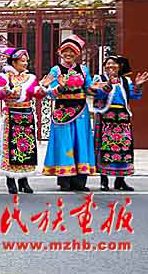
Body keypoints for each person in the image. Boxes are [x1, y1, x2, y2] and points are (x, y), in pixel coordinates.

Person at [43, 35, 105, 192]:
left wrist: (97, 88)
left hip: (81, 112)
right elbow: (49, 93)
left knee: (81, 142)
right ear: (60, 52)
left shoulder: (83, 70)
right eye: (66, 51)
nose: (68, 54)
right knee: (64, 143)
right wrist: (60, 87)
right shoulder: (55, 70)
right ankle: (64, 180)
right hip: (62, 112)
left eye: (72, 51)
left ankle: (80, 181)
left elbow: (89, 88)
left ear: (77, 53)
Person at [0, 46, 49, 194]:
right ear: (14, 62)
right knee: (10, 148)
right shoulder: (4, 77)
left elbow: (36, 93)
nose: (25, 63)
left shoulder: (31, 78)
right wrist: (6, 90)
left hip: (26, 115)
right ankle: (11, 180)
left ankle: (24, 180)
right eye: (22, 61)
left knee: (26, 147)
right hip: (11, 115)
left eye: (26, 61)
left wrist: (43, 88)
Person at [92, 56, 148, 191]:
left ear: (119, 67)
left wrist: (138, 85)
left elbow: (134, 96)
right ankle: (104, 180)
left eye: (114, 64)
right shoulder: (99, 79)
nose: (110, 66)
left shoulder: (125, 81)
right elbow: (97, 95)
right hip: (105, 117)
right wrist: (108, 85)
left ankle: (120, 180)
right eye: (108, 64)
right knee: (104, 148)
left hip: (123, 118)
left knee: (123, 148)